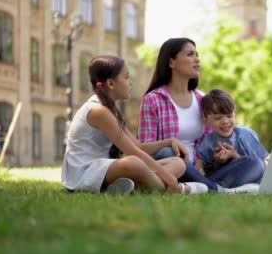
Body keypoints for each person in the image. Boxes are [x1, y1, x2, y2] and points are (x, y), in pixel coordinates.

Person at [62, 55, 206, 195]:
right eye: (126, 77)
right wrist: (169, 179)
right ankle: (179, 189)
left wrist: (170, 141)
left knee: (178, 163)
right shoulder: (99, 111)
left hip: (102, 169)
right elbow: (133, 152)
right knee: (133, 162)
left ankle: (130, 188)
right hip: (84, 172)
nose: (130, 82)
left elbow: (139, 146)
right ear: (111, 83)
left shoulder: (110, 109)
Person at [138, 38, 259, 193]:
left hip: (204, 171)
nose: (197, 59)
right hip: (173, 168)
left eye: (197, 54)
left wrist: (218, 157)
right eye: (190, 54)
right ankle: (215, 190)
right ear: (171, 62)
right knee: (167, 152)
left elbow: (209, 143)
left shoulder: (202, 99)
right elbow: (145, 151)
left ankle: (199, 187)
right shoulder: (153, 100)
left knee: (254, 163)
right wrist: (169, 143)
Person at [195, 89, 267, 191]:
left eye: (229, 116)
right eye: (218, 118)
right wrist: (214, 163)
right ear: (205, 120)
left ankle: (211, 187)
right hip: (226, 178)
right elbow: (204, 165)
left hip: (249, 175)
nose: (225, 121)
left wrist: (235, 156)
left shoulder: (246, 135)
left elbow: (263, 164)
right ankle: (214, 187)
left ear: (235, 115)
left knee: (257, 164)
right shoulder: (208, 142)